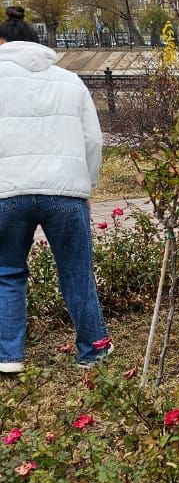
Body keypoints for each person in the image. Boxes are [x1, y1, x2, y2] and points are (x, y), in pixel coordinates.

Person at [0, 18, 112, 372]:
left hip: (7, 191)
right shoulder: (70, 81)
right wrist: (86, 183)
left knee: (6, 272)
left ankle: (9, 356)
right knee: (76, 271)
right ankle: (92, 349)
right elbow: (93, 140)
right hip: (65, 191)